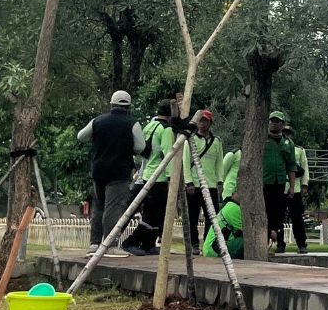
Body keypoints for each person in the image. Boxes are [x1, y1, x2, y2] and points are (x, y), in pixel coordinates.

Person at [77, 89, 145, 258]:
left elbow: (81, 137)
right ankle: (110, 244)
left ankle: (94, 244)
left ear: (112, 104)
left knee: (98, 206)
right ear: (128, 106)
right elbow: (140, 147)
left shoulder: (98, 121)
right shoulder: (132, 123)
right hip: (119, 172)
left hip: (98, 170)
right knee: (113, 208)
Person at [123, 100, 175, 256]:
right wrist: (172, 177)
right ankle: (130, 241)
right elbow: (168, 154)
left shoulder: (149, 125)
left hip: (146, 174)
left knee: (156, 213)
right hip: (158, 177)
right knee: (152, 214)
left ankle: (148, 243)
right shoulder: (166, 130)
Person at [182, 110, 224, 251]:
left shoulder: (216, 141)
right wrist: (188, 182)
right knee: (192, 217)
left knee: (211, 217)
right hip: (194, 184)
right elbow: (186, 162)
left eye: (205, 121)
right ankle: (193, 244)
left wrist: (220, 181)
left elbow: (219, 163)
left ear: (210, 123)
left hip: (210, 184)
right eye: (200, 121)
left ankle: (208, 243)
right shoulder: (191, 140)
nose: (202, 124)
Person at [263, 111, 298, 253]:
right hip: (264, 182)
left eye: (277, 121)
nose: (274, 123)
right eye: (272, 120)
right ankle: (263, 241)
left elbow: (291, 166)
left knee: (279, 213)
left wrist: (292, 186)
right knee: (265, 212)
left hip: (280, 183)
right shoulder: (262, 139)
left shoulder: (288, 143)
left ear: (282, 124)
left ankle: (280, 243)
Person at [282, 124, 309, 254]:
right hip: (280, 186)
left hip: (296, 187)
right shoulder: (277, 147)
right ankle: (280, 244)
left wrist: (305, 185)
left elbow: (305, 168)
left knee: (297, 218)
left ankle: (301, 244)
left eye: (288, 133)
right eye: (284, 133)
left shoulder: (299, 150)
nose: (286, 136)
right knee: (278, 218)